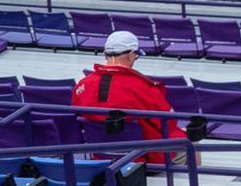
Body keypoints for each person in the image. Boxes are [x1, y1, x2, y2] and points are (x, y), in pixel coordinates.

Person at [72, 31, 187, 167]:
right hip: (143, 159)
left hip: (99, 156)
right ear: (131, 55)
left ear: (105, 54)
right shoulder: (143, 88)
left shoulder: (83, 85)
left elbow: (77, 114)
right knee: (190, 141)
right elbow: (168, 123)